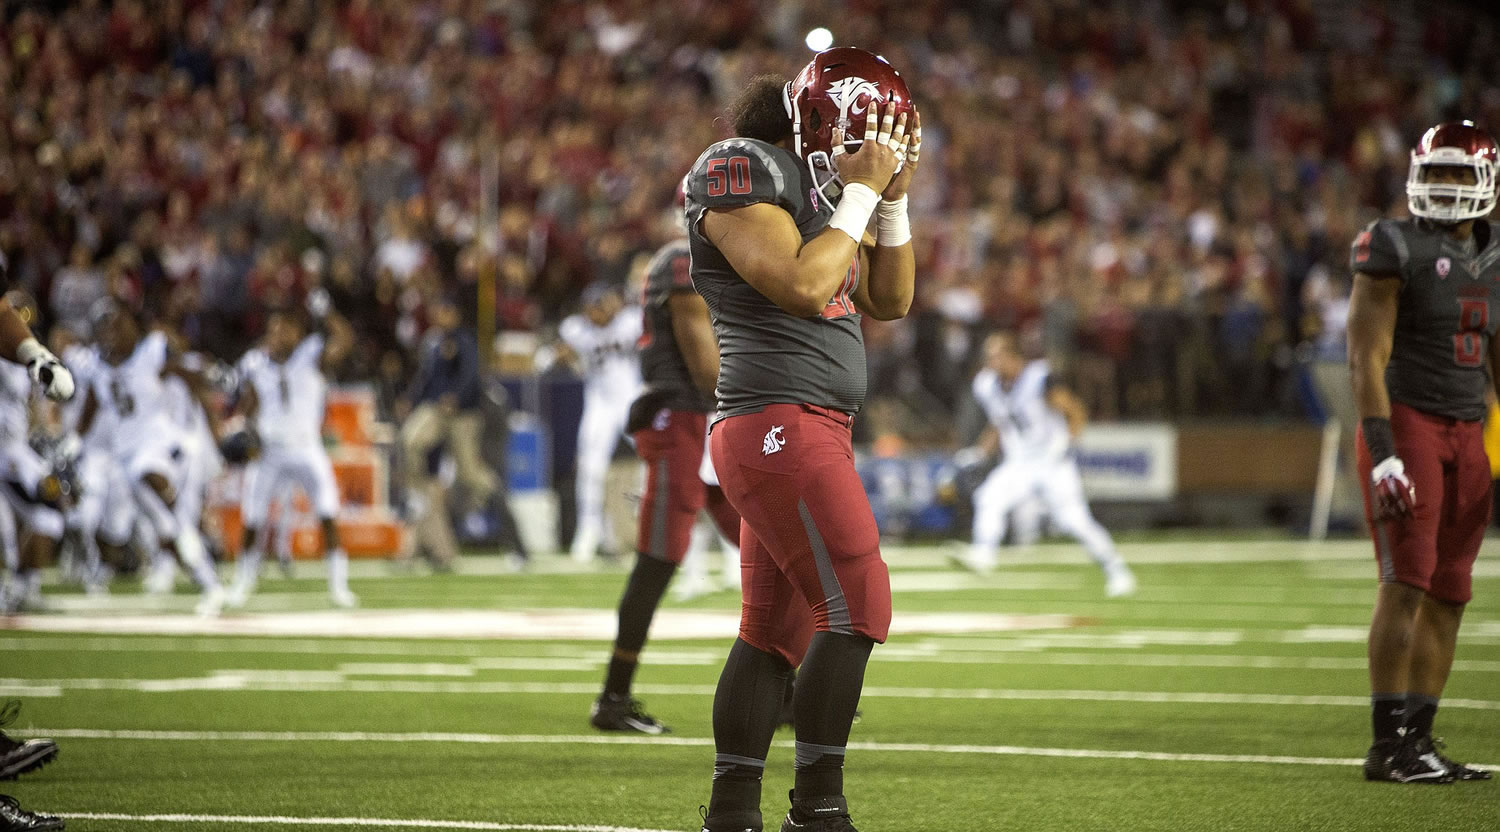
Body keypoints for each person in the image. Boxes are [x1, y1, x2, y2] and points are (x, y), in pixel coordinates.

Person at [688, 48, 918, 832]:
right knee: (858, 602)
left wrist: (889, 206)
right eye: (862, 133)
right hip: (776, 422)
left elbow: (890, 299)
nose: (871, 150)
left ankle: (731, 812)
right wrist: (858, 194)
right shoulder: (740, 166)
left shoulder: (823, 196)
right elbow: (803, 284)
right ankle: (818, 810)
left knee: (774, 632)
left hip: (808, 425)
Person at [1348, 120, 1499, 784]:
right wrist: (1382, 453)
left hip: (1470, 429)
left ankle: (1422, 742)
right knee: (1404, 582)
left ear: (1486, 180)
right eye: (1434, 172)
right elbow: (1364, 356)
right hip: (1407, 421)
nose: (1443, 185)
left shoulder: (1496, 257)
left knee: (1451, 592)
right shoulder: (1392, 243)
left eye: (1458, 174)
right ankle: (1388, 746)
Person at [589, 218, 742, 735]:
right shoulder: (684, 263)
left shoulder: (707, 262)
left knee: (772, 549)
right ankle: (613, 696)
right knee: (657, 562)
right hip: (685, 421)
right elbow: (705, 366)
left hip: (709, 422)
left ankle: (783, 685)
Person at [955, 332, 1137, 597]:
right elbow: (1000, 423)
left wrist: (1066, 442)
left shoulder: (1039, 378)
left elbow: (1076, 412)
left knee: (1074, 521)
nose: (991, 361)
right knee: (989, 498)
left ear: (1013, 356)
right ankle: (984, 554)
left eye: (996, 355)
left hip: (1052, 462)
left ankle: (1117, 571)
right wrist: (980, 452)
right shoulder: (987, 385)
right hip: (1019, 463)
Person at [76, 302, 226, 617]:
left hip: (161, 446)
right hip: (125, 460)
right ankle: (209, 583)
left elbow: (185, 369)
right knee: (166, 533)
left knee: (152, 477)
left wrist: (212, 376)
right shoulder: (97, 367)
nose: (113, 334)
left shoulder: (151, 352)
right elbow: (88, 412)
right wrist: (71, 444)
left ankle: (182, 517)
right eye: (107, 329)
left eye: (118, 325)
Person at [228, 300, 357, 608]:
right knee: (252, 517)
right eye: (274, 330)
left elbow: (345, 340)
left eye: (285, 329)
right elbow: (248, 402)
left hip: (306, 447)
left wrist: (326, 312)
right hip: (270, 451)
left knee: (327, 513)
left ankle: (339, 586)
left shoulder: (310, 355)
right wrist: (242, 426)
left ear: (298, 333)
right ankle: (242, 583)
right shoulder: (256, 363)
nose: (278, 335)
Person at [396, 295, 497, 570]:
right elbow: (425, 378)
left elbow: (472, 376)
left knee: (470, 476)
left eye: (447, 311)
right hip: (436, 413)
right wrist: (410, 399)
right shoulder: (432, 341)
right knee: (413, 452)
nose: (442, 317)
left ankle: (498, 500)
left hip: (461, 416)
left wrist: (456, 397)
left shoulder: (465, 341)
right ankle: (431, 549)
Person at [556, 284, 642, 563]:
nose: (597, 313)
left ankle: (652, 521)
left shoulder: (630, 322)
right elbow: (557, 351)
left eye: (601, 306)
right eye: (593, 308)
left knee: (654, 459)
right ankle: (589, 527)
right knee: (591, 468)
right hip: (599, 402)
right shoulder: (577, 330)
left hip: (630, 397)